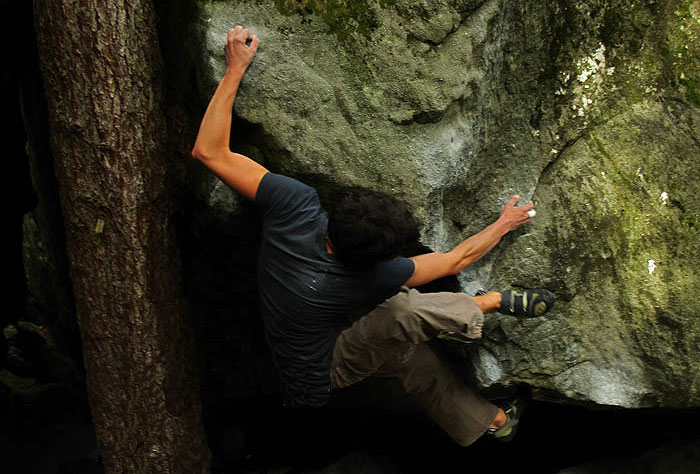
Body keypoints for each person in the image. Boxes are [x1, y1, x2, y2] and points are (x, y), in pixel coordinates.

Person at [191, 26, 555, 445]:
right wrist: (504, 223)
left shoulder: (294, 206)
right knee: (402, 313)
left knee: (412, 358)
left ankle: (496, 423)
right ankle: (488, 304)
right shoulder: (377, 278)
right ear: (380, 261)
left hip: (308, 327)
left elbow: (210, 151)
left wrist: (236, 67)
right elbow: (457, 260)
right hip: (319, 369)